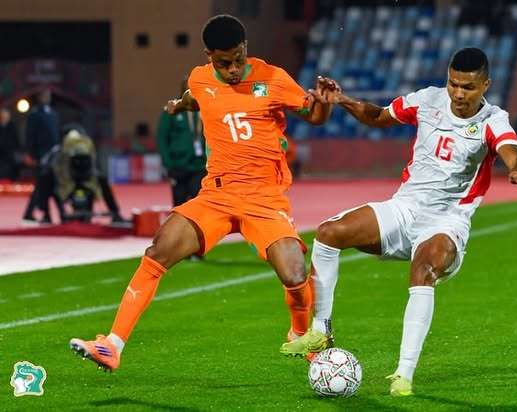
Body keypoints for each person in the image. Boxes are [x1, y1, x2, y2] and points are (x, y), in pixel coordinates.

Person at [69, 14, 333, 371]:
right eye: (224, 63)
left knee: (295, 272)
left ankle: (301, 334)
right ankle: (112, 345)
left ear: (245, 48)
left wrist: (324, 103)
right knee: (158, 250)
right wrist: (180, 105)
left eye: (238, 58)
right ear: (209, 56)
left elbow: (313, 115)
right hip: (216, 196)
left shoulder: (273, 78)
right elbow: (198, 96)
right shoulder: (200, 78)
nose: (233, 69)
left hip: (263, 198)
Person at [280, 48, 517, 396]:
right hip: (404, 209)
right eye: (453, 84)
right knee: (329, 233)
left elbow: (511, 149)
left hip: (446, 223)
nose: (458, 93)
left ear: (485, 85)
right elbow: (379, 116)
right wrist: (342, 100)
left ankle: (403, 374)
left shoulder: (493, 120)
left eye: (468, 87)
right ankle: (321, 329)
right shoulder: (427, 100)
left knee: (422, 271)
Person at [156, 79, 207, 208]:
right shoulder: (172, 108)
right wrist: (168, 164)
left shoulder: (205, 108)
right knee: (179, 206)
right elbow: (162, 138)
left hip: (199, 166)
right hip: (178, 166)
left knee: (199, 206)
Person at [22, 88, 64, 224]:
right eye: (45, 95)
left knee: (47, 185)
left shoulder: (53, 113)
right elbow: (30, 136)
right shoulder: (34, 114)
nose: (47, 97)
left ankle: (44, 214)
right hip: (41, 155)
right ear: (40, 97)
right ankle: (54, 214)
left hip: (54, 155)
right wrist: (30, 154)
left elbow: (57, 133)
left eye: (48, 95)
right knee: (43, 185)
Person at [0, 107, 21, 181]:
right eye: (2, 117)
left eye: (6, 117)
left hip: (10, 159)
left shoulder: (13, 127)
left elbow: (16, 142)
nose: (4, 118)